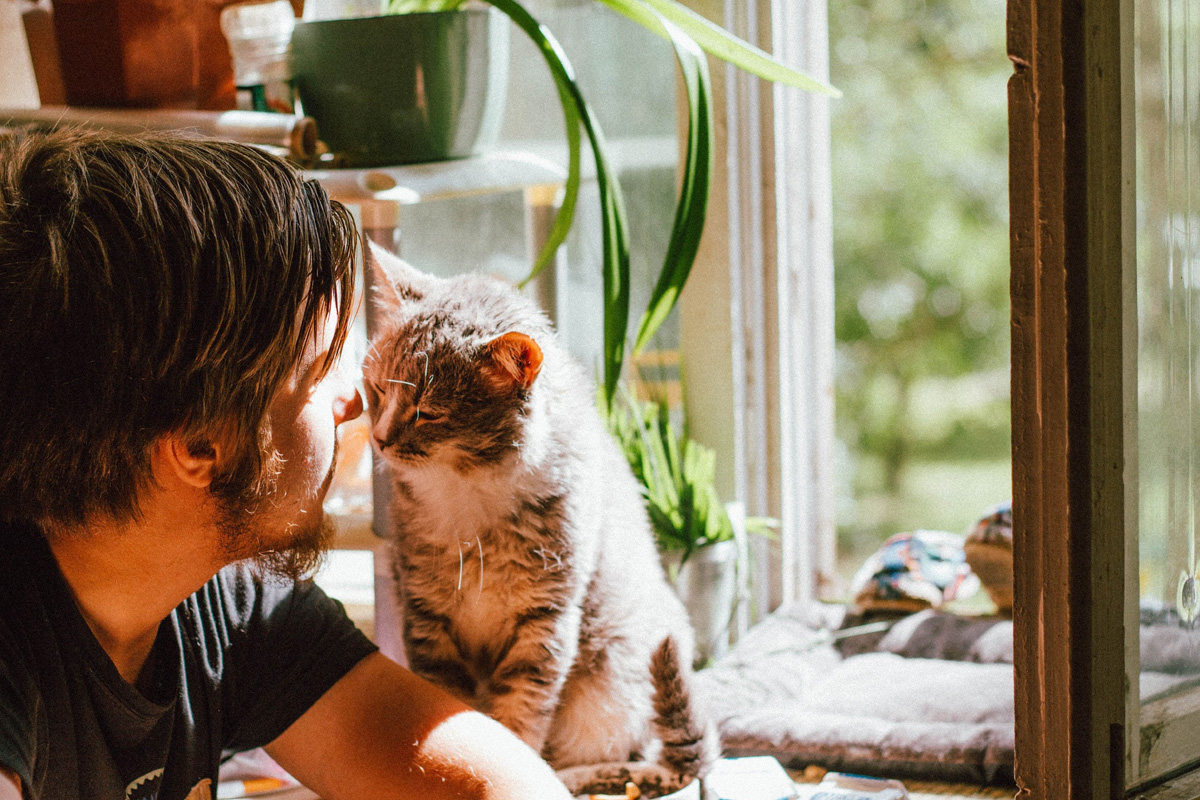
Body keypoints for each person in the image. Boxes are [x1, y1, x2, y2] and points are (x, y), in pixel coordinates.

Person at [0, 128, 574, 800]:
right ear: (200, 446)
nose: (354, 402)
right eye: (324, 367)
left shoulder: (226, 601)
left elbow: (501, 790)